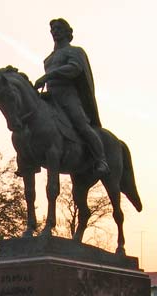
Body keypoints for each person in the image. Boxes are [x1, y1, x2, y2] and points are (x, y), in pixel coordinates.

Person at [34, 18, 110, 177]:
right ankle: (30, 158)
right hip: (52, 97)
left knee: (81, 124)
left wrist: (48, 76)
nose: (55, 31)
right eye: (53, 29)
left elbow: (74, 69)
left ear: (67, 32)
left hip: (69, 97)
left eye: (59, 28)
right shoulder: (48, 59)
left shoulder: (75, 51)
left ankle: (101, 159)